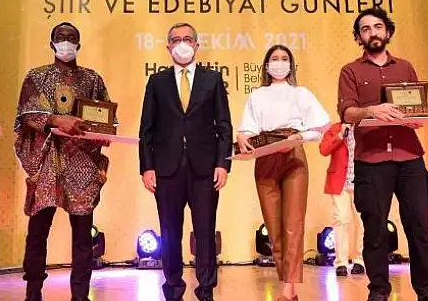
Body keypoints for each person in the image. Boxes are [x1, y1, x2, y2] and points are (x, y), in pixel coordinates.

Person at [337, 7, 428, 301]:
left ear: (388, 31)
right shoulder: (351, 71)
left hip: (409, 157)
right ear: (358, 38)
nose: (372, 33)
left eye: (377, 27)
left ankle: (426, 289)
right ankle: (379, 290)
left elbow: (414, 106)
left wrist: (415, 117)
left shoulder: (405, 67)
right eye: (365, 29)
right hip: (371, 160)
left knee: (420, 227)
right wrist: (373, 110)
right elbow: (347, 113)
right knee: (375, 230)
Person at [14, 22, 114, 301]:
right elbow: (27, 115)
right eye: (61, 37)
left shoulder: (92, 79)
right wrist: (57, 120)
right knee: (37, 233)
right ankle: (33, 293)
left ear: (79, 45)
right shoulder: (36, 77)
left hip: (82, 163)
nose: (66, 41)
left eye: (71, 37)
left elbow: (108, 117)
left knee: (83, 236)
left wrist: (104, 132)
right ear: (52, 44)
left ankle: (80, 295)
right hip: (47, 162)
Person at [138, 22, 232, 301]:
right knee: (169, 232)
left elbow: (224, 126)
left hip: (205, 169)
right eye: (176, 39)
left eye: (188, 39)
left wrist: (223, 164)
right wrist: (147, 167)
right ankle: (173, 288)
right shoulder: (157, 82)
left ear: (196, 45)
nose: (182, 44)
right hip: (166, 169)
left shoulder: (212, 79)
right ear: (168, 47)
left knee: (205, 232)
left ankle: (206, 289)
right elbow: (146, 129)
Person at [236, 44, 330, 301]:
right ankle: (288, 283)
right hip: (265, 154)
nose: (279, 62)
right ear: (267, 65)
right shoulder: (257, 95)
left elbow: (321, 127)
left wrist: (300, 137)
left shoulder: (301, 94)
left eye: (284, 58)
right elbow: (248, 128)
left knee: (293, 223)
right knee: (273, 226)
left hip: (293, 155)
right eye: (275, 58)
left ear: (291, 64)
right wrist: (242, 136)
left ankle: (288, 288)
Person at [319, 122, 365, 277]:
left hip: (362, 181)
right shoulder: (335, 129)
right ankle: (341, 263)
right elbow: (324, 150)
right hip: (340, 182)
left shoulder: (365, 127)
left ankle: (360, 260)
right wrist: (339, 135)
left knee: (362, 222)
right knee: (341, 220)